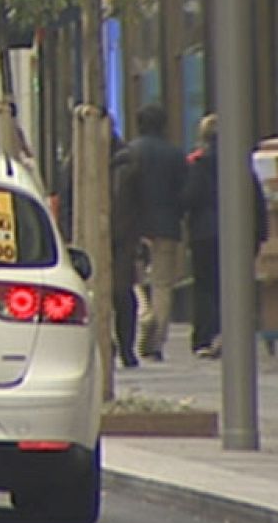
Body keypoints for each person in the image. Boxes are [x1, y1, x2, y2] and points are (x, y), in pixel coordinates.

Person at [182, 114, 269, 358]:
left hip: (205, 234)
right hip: (240, 232)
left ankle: (206, 337)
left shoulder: (199, 164)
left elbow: (190, 197)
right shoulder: (241, 163)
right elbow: (256, 199)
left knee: (206, 288)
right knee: (236, 285)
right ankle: (234, 335)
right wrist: (261, 233)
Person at [129, 104, 189, 362]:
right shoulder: (175, 155)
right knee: (163, 284)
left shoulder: (130, 153)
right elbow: (186, 191)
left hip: (135, 227)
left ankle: (145, 314)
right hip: (167, 227)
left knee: (135, 279)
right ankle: (155, 343)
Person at [108, 132, 141, 367]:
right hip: (114, 236)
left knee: (122, 294)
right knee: (120, 295)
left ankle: (125, 347)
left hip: (123, 238)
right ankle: (113, 345)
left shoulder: (128, 165)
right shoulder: (78, 161)